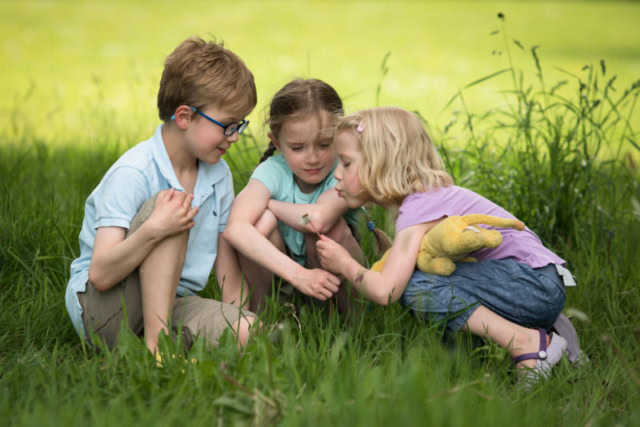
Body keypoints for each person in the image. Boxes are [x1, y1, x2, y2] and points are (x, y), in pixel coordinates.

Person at [316, 106, 582, 384]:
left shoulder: (418, 210)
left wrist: (345, 264)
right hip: (539, 281)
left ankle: (527, 343)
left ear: (380, 162)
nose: (336, 174)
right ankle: (553, 339)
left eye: (346, 163)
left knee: (415, 287)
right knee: (432, 279)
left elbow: (387, 291)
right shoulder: (428, 198)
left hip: (535, 285)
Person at [65, 37, 258, 354]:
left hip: (173, 302)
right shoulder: (133, 172)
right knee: (169, 207)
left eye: (239, 125)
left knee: (250, 333)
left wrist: (240, 317)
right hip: (106, 309)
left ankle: (160, 342)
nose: (235, 137)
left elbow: (228, 271)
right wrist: (156, 229)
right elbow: (100, 274)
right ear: (184, 117)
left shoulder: (218, 175)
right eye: (226, 125)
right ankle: (158, 352)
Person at [224, 79, 365, 314]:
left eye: (323, 144)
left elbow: (317, 219)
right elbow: (235, 227)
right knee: (262, 222)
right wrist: (299, 276)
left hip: (336, 277)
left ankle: (352, 326)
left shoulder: (345, 169)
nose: (312, 158)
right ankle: (263, 318)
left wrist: (270, 204)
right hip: (288, 276)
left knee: (326, 232)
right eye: (298, 148)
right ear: (277, 143)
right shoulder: (273, 170)